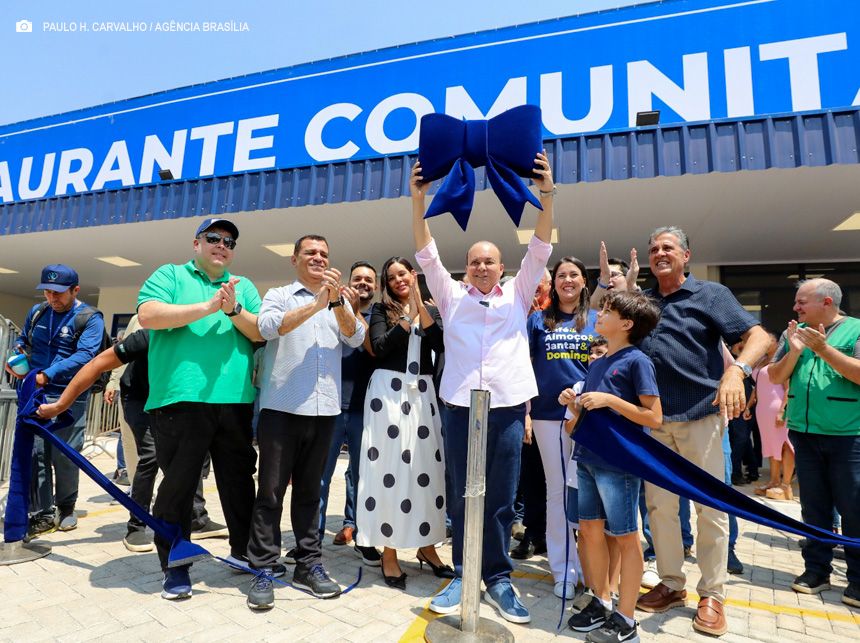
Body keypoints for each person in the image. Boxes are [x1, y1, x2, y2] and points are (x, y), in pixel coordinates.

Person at [411, 150, 555, 624]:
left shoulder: (518, 293)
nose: (482, 267)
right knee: (461, 493)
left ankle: (496, 577)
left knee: (500, 496)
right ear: (467, 266)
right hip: (458, 408)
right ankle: (463, 573)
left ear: (500, 266)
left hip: (508, 406)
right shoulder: (450, 297)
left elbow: (539, 247)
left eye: (490, 261)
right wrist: (419, 200)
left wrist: (546, 196)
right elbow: (426, 252)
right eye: (474, 261)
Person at [635, 226, 770, 637]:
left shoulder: (711, 295)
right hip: (655, 424)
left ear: (686, 255)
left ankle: (712, 594)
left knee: (709, 509)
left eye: (668, 248)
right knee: (660, 509)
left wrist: (737, 370)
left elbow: (759, 336)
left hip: (700, 418)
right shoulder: (644, 301)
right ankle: (672, 584)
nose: (660, 253)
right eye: (654, 248)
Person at [137, 218, 263, 601]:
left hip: (235, 401)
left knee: (240, 483)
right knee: (178, 488)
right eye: (214, 238)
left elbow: (258, 331)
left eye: (229, 241)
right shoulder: (170, 275)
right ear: (196, 244)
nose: (222, 245)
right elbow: (149, 315)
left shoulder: (245, 286)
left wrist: (232, 308)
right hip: (180, 400)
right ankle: (176, 566)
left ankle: (246, 553)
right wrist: (209, 306)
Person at [37, 327, 237, 555]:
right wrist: (61, 404)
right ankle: (136, 525)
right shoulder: (149, 335)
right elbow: (96, 364)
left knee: (191, 454)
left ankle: (196, 519)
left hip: (172, 400)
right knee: (150, 457)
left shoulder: (201, 340)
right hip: (138, 398)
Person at [246, 234, 365, 610]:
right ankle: (264, 566)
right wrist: (317, 304)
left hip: (325, 410)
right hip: (282, 410)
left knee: (311, 492)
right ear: (294, 258)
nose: (318, 258)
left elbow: (356, 337)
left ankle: (308, 562)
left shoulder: (339, 300)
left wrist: (338, 304)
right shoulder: (279, 295)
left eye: (324, 254)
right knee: (270, 492)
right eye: (310, 253)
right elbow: (268, 328)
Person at [561, 290, 661, 643]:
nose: (598, 315)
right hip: (587, 458)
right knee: (589, 531)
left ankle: (626, 617)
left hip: (618, 463)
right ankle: (601, 601)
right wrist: (574, 406)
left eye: (607, 310)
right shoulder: (599, 362)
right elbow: (587, 419)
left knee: (625, 537)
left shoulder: (638, 361)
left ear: (627, 324)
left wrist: (610, 400)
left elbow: (654, 416)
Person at [355, 256, 451, 589]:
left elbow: (440, 344)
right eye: (391, 276)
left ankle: (427, 547)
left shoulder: (431, 310)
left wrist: (418, 308)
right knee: (389, 473)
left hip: (423, 394)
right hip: (389, 395)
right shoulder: (381, 311)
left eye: (403, 274)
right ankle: (389, 552)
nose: (398, 280)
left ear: (414, 275)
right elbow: (378, 348)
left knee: (426, 471)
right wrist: (405, 321)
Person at [768, 278, 860, 607]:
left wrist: (823, 349)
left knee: (854, 509)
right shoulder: (792, 333)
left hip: (848, 437)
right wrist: (794, 352)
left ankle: (858, 580)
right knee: (814, 508)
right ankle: (816, 571)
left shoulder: (856, 330)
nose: (795, 307)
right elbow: (775, 377)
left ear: (826, 302)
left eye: (801, 301)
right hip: (805, 435)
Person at [10, 264, 105, 536]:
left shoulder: (89, 318)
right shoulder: (38, 312)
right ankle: (43, 510)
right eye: (48, 292)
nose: (53, 298)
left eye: (59, 293)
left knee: (65, 454)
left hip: (69, 395)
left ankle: (66, 507)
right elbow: (24, 339)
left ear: (75, 290)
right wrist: (17, 356)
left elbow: (86, 356)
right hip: (34, 393)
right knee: (36, 453)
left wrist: (47, 375)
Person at [527, 256, 596, 598]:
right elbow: (523, 366)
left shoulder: (598, 320)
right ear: (553, 283)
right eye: (561, 275)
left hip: (589, 417)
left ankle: (590, 566)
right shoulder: (538, 321)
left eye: (574, 274)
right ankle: (564, 569)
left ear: (584, 281)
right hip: (546, 417)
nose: (567, 280)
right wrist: (525, 411)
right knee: (557, 492)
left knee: (585, 493)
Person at [318, 261, 382, 568]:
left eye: (369, 280)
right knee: (319, 477)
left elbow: (370, 347)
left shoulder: (380, 316)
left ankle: (363, 537)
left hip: (364, 410)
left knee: (363, 478)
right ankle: (311, 540)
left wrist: (355, 312)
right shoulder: (330, 309)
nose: (363, 283)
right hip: (330, 407)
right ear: (347, 282)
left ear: (376, 286)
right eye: (357, 278)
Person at [745, 334, 794, 501]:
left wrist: (782, 410)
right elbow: (757, 386)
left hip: (778, 407)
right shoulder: (761, 361)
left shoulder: (782, 360)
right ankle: (774, 481)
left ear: (776, 342)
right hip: (763, 409)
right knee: (770, 445)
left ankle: (786, 485)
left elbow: (788, 388)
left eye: (770, 340)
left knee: (785, 445)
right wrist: (748, 405)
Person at [589, 242, 639, 310]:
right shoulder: (599, 313)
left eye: (613, 275)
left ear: (626, 277)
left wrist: (631, 284)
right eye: (603, 278)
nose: (608, 281)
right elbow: (592, 307)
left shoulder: (636, 307)